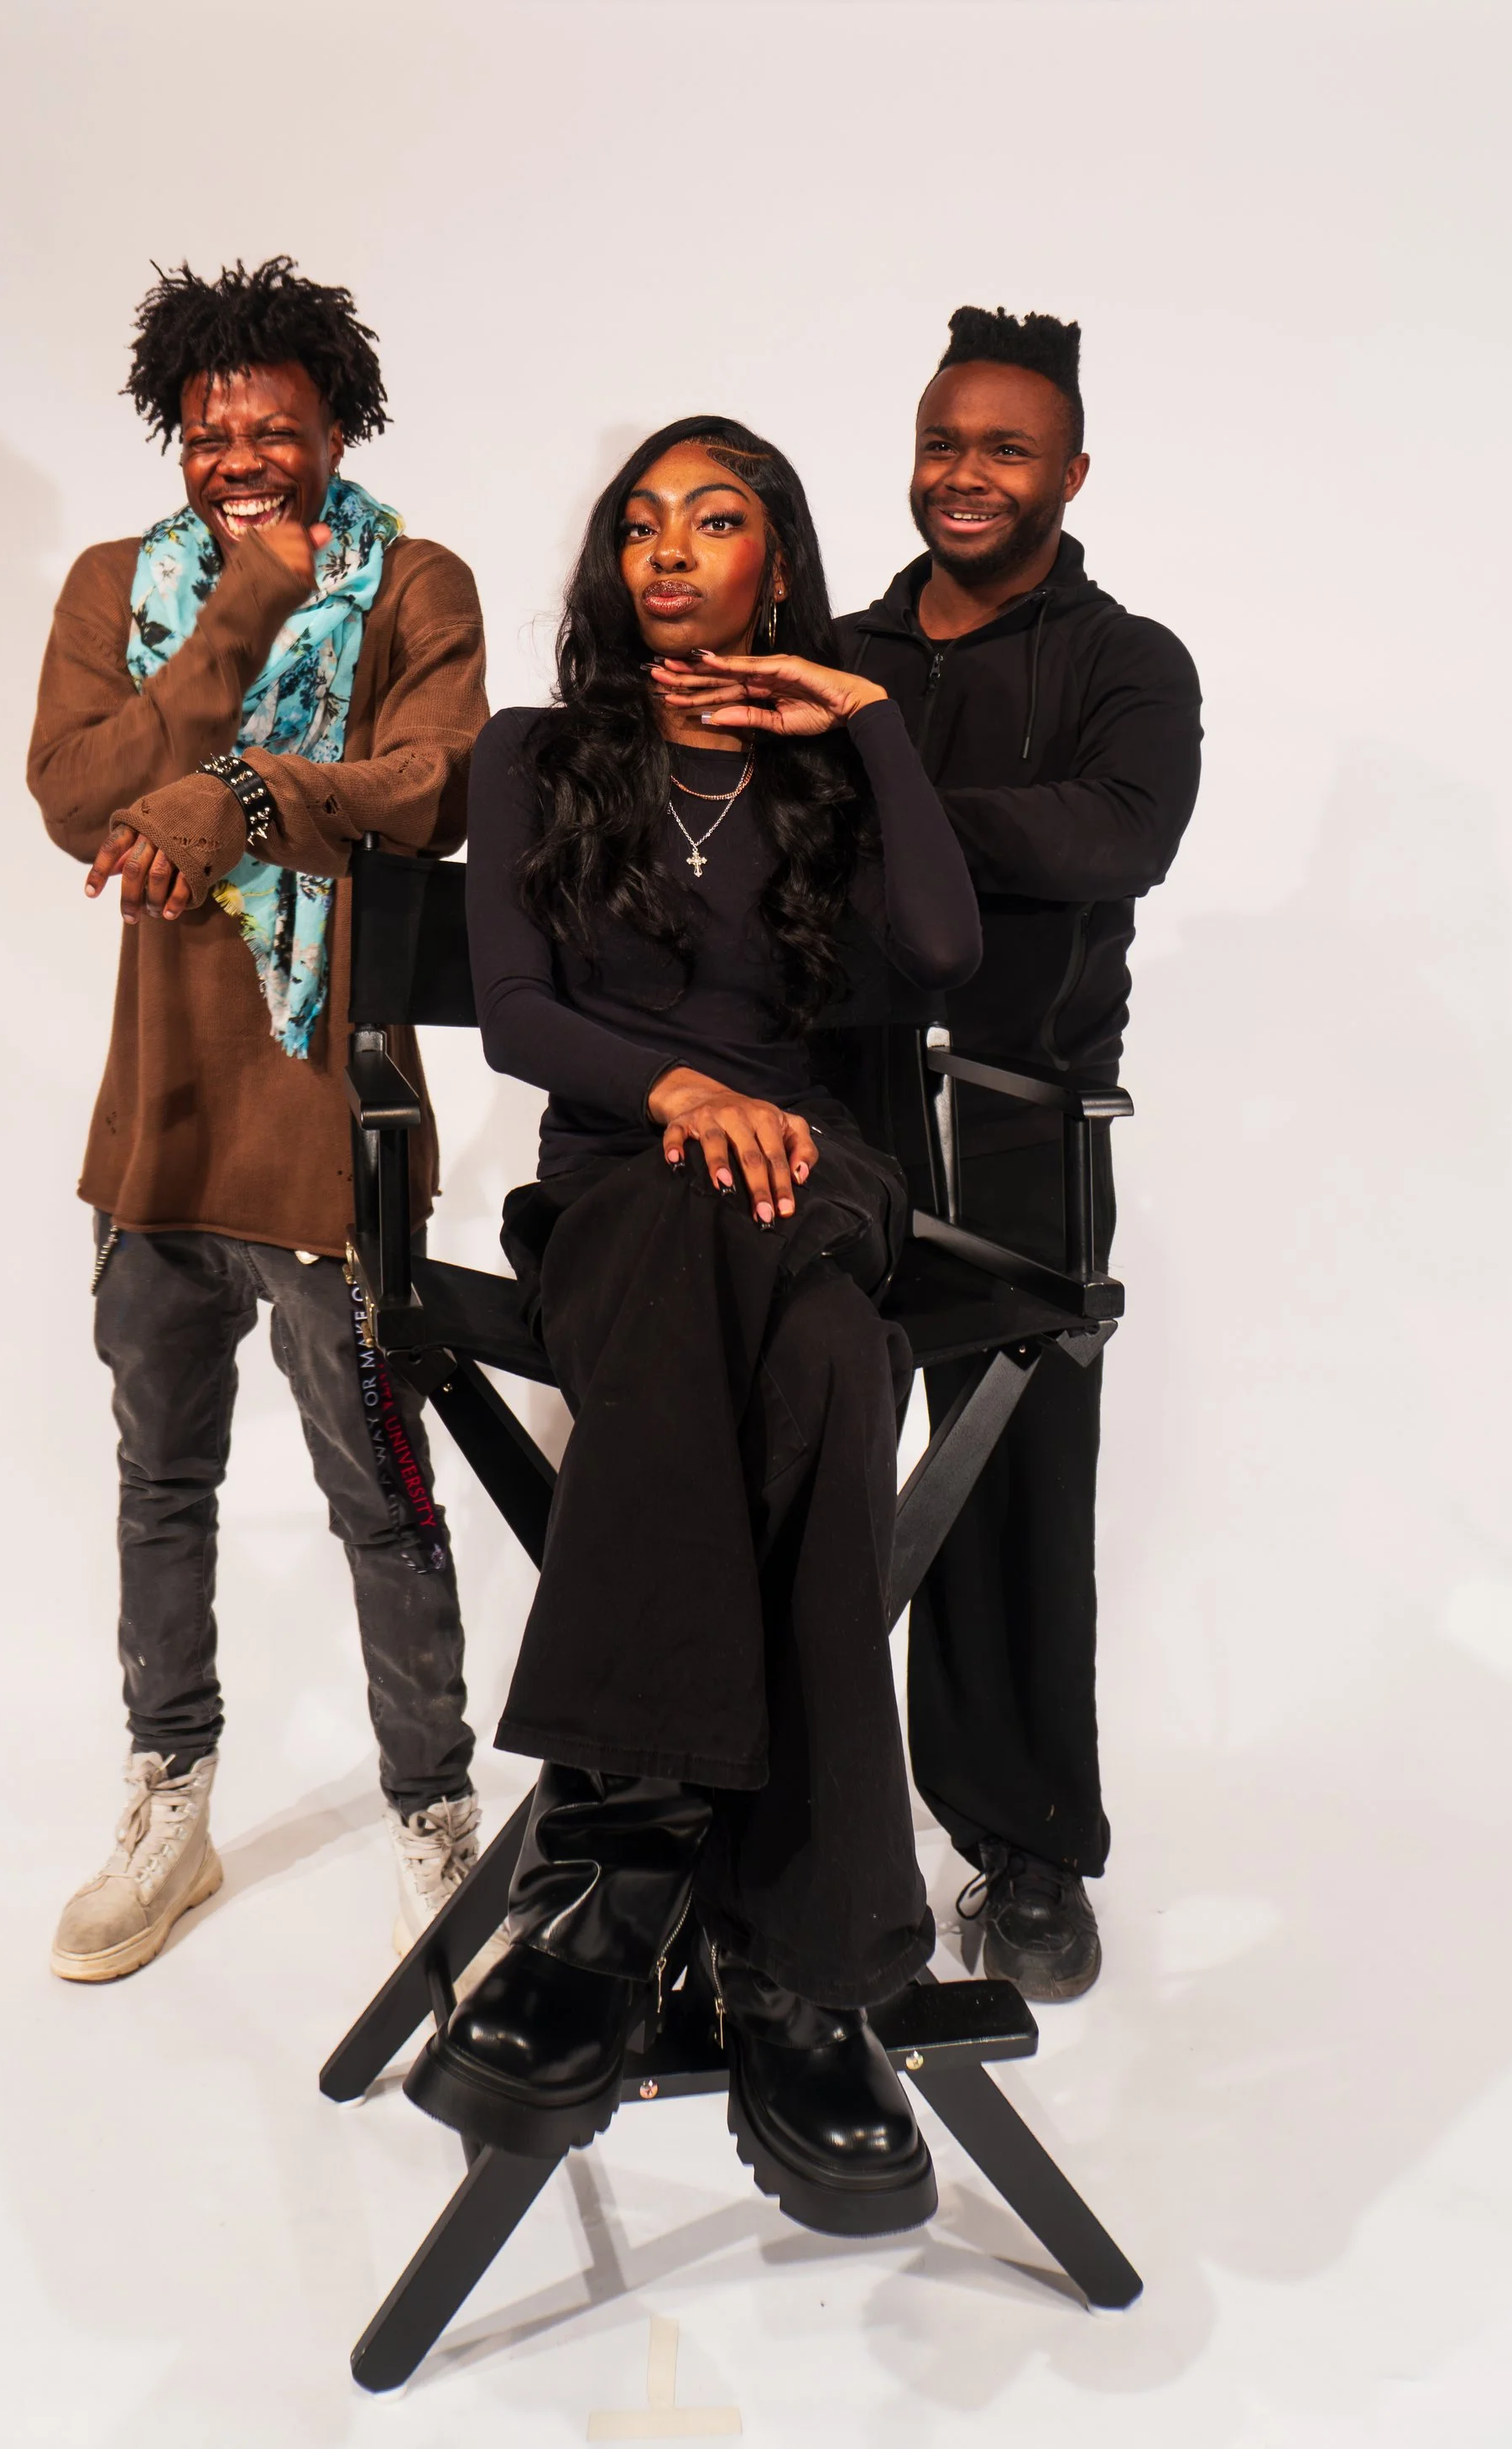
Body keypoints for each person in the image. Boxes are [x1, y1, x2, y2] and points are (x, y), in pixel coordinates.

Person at [405, 417, 981, 2239]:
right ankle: (807, 1968)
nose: (667, 550)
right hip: (615, 1193)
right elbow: (509, 1015)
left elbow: (946, 955)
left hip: (815, 1182)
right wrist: (679, 1089)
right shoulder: (531, 759)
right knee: (818, 1359)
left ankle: (617, 1866)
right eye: (641, 522)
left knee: (783, 1274)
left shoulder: (823, 774)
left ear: (774, 568)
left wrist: (869, 725)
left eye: (714, 521)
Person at [27, 258, 489, 1982]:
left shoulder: (413, 587)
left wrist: (231, 796)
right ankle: (171, 1800)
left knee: (380, 1488)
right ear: (177, 434)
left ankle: (434, 1816)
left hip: (327, 1119)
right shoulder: (114, 588)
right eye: (213, 434)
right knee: (162, 1482)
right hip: (158, 1120)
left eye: (277, 431)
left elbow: (430, 792)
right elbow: (70, 792)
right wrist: (231, 623)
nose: (243, 461)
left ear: (336, 426)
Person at [829, 307, 1202, 2000]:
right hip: (827, 1118)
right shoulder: (843, 645)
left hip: (1019, 1127)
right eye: (938, 440)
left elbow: (1108, 838)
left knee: (1008, 1498)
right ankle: (758, 1820)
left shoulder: (1127, 664)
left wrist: (881, 797)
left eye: (998, 448)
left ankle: (1027, 1846)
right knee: (792, 1469)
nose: (959, 475)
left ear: (1065, 471)